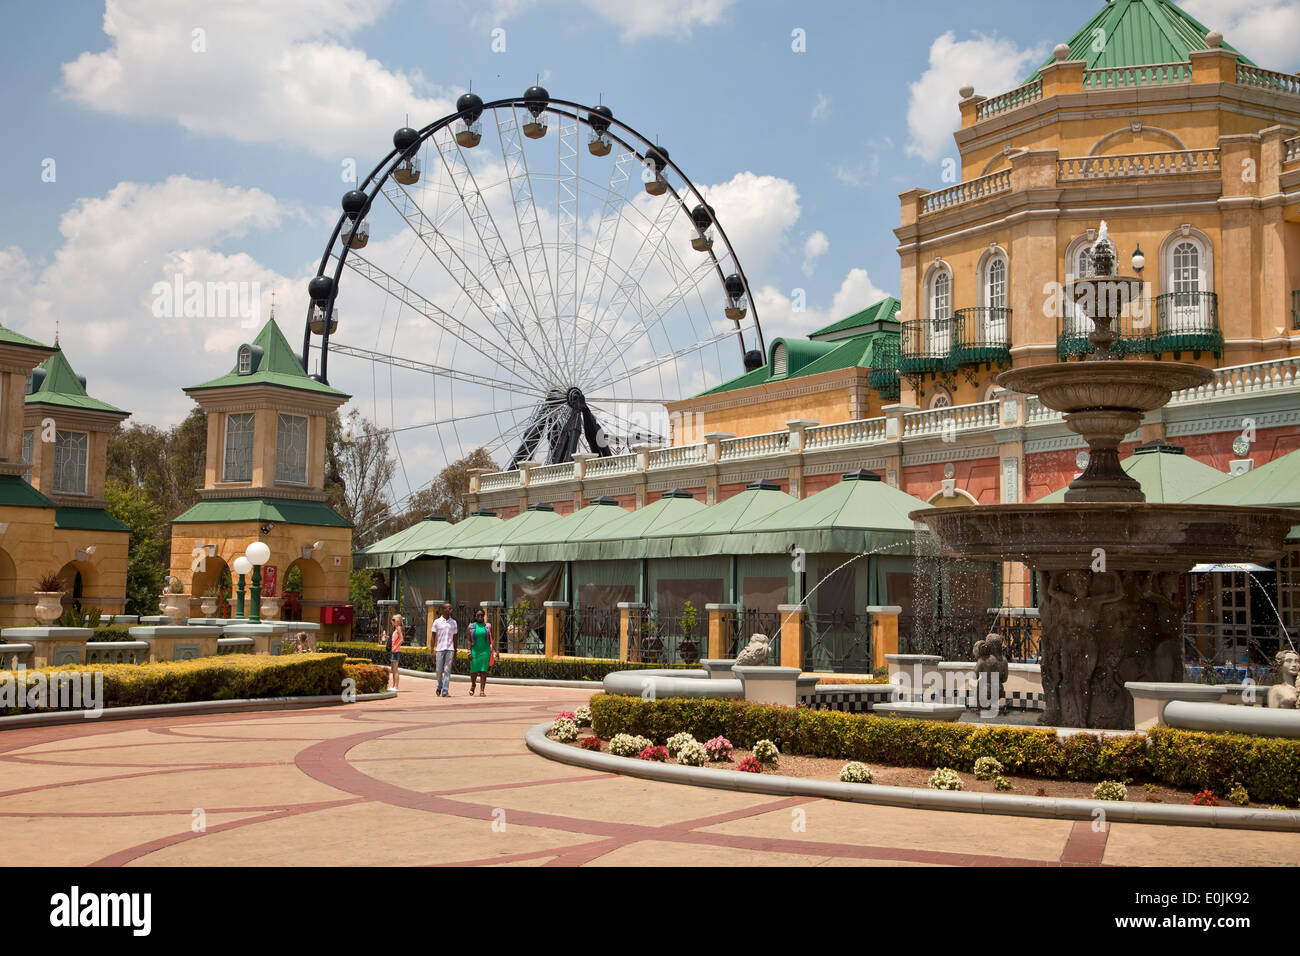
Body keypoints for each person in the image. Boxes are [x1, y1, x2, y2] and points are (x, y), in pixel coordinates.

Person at [431, 603, 458, 697]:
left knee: (447, 670)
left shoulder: (454, 622)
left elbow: (455, 638)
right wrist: (432, 651)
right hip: (439, 649)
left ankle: (445, 691)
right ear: (443, 610)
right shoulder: (437, 622)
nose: (451, 610)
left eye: (451, 608)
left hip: (450, 649)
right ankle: (439, 685)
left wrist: (455, 651)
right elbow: (433, 637)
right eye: (449, 608)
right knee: (438, 670)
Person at [467, 608, 494, 697]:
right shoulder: (471, 626)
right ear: (475, 616)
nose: (480, 617)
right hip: (475, 650)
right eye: (478, 615)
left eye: (482, 615)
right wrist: (469, 651)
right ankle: (473, 684)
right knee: (474, 671)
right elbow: (469, 640)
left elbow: (491, 639)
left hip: (485, 650)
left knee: (483, 670)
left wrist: (495, 650)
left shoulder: (487, 626)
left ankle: (482, 690)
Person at [387, 614, 405, 691]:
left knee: (395, 669)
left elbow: (402, 639)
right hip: (394, 651)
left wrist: (395, 647)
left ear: (398, 621)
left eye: (393, 620)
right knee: (393, 669)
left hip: (396, 651)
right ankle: (394, 685)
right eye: (392, 619)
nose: (392, 621)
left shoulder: (398, 628)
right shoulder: (395, 629)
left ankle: (396, 686)